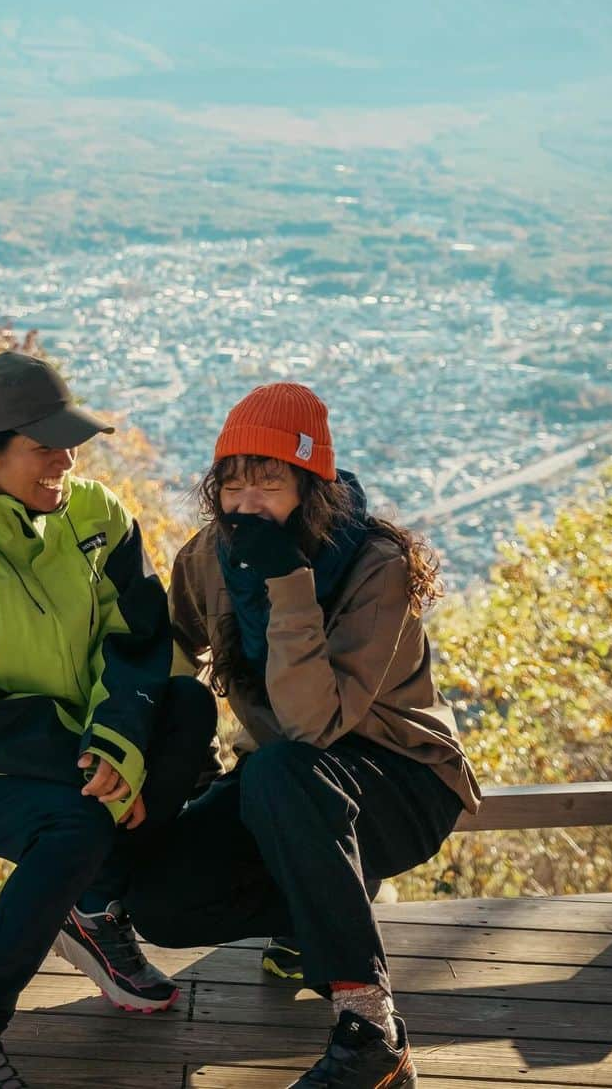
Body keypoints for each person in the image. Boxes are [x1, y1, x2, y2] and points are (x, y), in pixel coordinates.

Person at [125, 382, 482, 1089]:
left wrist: (287, 582)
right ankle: (318, 907)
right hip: (290, 790)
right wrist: (168, 762)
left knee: (280, 767)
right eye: (233, 481)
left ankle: (370, 1028)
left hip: (403, 781)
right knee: (160, 898)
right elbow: (173, 654)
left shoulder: (375, 565)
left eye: (271, 479)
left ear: (311, 486)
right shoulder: (209, 558)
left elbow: (313, 723)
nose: (248, 500)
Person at [0, 351, 217, 1089]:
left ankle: (91, 909)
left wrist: (117, 745)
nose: (66, 460)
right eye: (44, 446)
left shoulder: (96, 515)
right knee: (78, 822)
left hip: (85, 739)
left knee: (190, 709)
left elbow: (136, 638)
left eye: (70, 441)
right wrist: (92, 762)